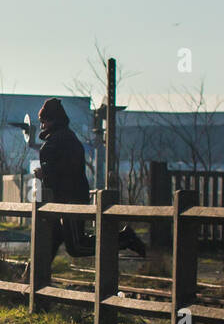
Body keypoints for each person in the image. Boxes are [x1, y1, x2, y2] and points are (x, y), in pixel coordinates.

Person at [34, 97, 147, 258]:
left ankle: (124, 239)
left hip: (68, 199)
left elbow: (63, 172)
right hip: (69, 197)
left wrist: (44, 174)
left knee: (77, 247)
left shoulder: (56, 142)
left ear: (51, 120)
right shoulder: (66, 138)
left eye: (43, 121)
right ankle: (32, 275)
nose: (41, 125)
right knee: (53, 238)